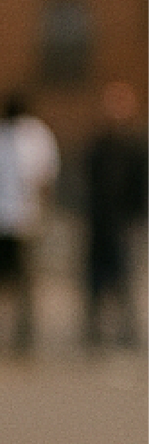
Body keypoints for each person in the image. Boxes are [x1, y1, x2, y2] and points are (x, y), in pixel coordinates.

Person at [0, 92, 60, 356]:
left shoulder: (37, 135)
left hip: (25, 219)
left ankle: (23, 339)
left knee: (23, 283)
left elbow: (46, 178)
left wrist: (40, 214)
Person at [81, 79, 148, 348]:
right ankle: (94, 328)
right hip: (99, 220)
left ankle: (127, 329)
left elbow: (140, 185)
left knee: (125, 276)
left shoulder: (135, 146)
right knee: (95, 278)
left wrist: (135, 217)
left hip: (123, 222)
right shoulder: (97, 145)